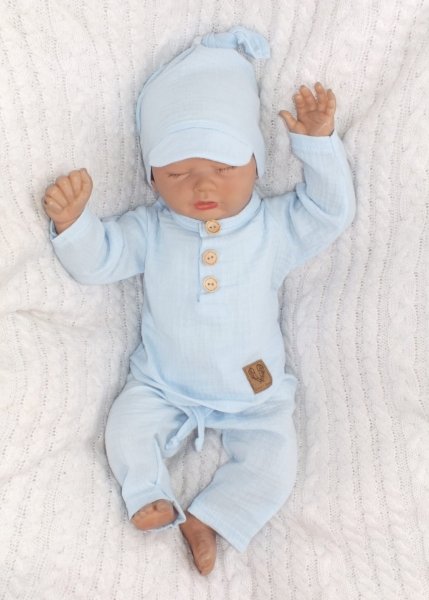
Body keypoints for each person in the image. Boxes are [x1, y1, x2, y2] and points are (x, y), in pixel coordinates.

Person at [43, 27, 355, 576]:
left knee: (276, 461)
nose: (203, 186)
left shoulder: (274, 227)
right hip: (162, 383)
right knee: (125, 428)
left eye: (224, 168)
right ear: (152, 177)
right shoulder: (152, 229)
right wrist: (75, 225)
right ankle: (148, 492)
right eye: (179, 173)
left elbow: (329, 212)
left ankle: (211, 516)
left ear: (257, 164)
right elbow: (100, 260)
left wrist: (316, 145)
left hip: (254, 390)